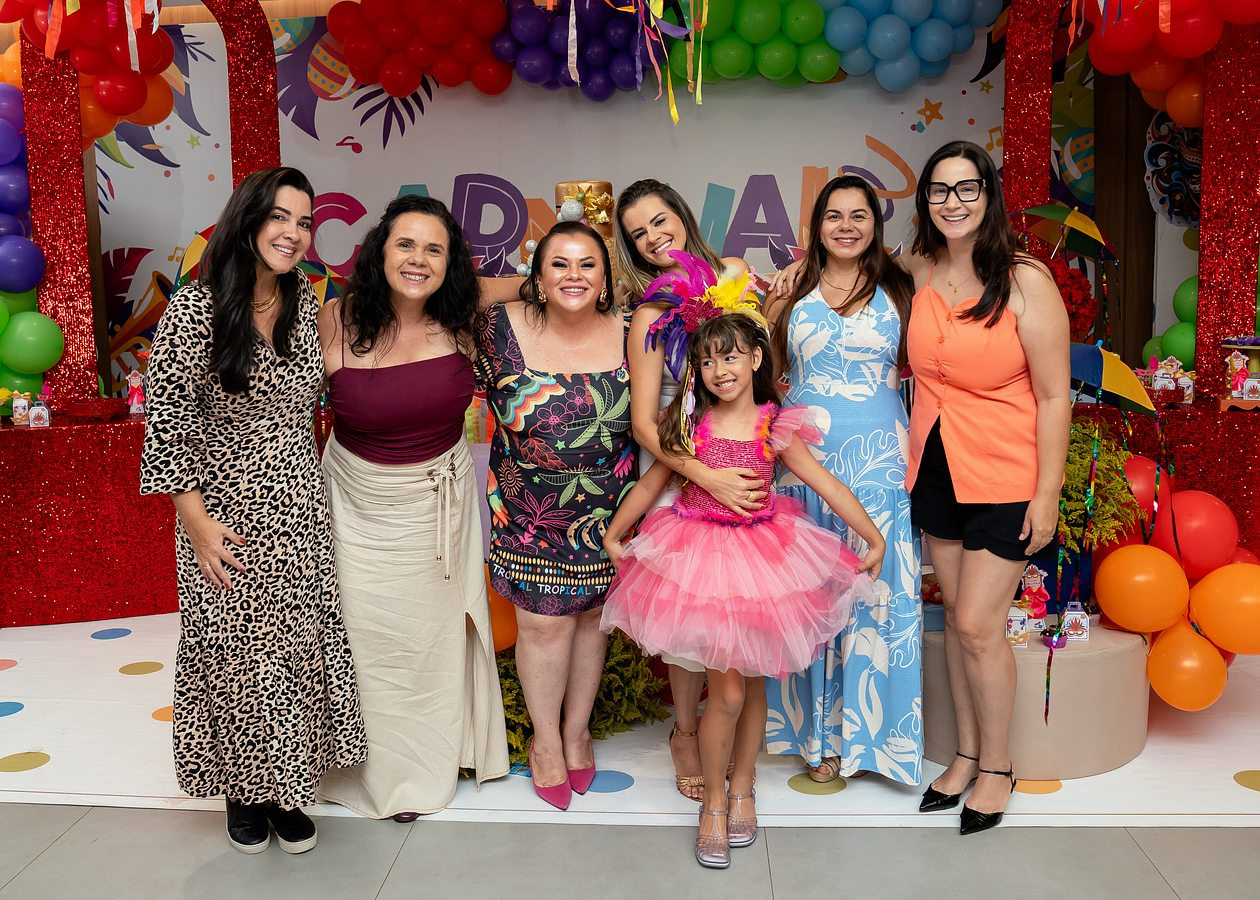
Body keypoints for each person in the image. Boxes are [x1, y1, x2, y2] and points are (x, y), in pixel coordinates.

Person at [601, 270, 886, 869]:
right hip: (700, 558)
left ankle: (743, 790)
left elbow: (825, 482)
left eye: (730, 356)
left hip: (764, 560)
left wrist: (871, 534)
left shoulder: (774, 424)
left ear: (756, 358)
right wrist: (616, 530)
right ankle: (713, 803)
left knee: (754, 684)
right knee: (727, 689)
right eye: (707, 361)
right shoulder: (688, 423)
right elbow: (652, 482)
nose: (719, 370)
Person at [140, 166, 367, 855]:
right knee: (235, 654)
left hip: (300, 508)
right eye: (279, 217)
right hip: (224, 513)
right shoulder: (195, 309)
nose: (293, 233)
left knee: (294, 651)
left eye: (304, 222)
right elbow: (168, 424)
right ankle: (243, 791)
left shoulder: (310, 304)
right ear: (247, 221)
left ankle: (287, 788)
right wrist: (195, 522)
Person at [316, 195, 509, 822]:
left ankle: (427, 767)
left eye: (434, 249)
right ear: (379, 250)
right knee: (365, 641)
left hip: (437, 508)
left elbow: (544, 284)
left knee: (429, 643)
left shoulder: (464, 318)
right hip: (353, 504)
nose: (418, 259)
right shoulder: (332, 320)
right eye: (405, 244)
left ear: (451, 263)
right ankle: (369, 771)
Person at [903, 141, 1069, 834]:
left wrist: (1047, 493)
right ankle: (967, 755)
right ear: (925, 201)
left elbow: (1054, 396)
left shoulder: (1025, 280)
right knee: (955, 620)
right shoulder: (920, 268)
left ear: (989, 195)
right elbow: (852, 269)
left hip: (1007, 473)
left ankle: (999, 766)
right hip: (935, 467)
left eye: (966, 188)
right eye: (940, 190)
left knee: (977, 625)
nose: (953, 202)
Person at [761, 175, 924, 786]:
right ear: (817, 226)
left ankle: (874, 743)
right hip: (803, 463)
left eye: (860, 215)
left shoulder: (902, 287)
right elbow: (765, 373)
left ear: (876, 225)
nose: (847, 226)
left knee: (875, 596)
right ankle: (817, 739)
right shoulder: (789, 291)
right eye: (835, 215)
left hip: (880, 462)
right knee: (811, 596)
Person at [474, 220, 634, 811]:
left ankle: (577, 733)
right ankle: (545, 741)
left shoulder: (632, 330)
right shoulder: (497, 328)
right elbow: (455, 290)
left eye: (588, 264)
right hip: (528, 513)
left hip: (609, 514)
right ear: (536, 277)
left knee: (592, 620)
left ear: (606, 278)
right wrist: (523, 286)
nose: (574, 276)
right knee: (543, 626)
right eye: (559, 264)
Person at [615, 178, 765, 802]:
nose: (653, 237)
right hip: (679, 470)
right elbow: (643, 423)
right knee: (685, 616)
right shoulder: (649, 314)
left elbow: (759, 357)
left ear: (682, 215)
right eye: (638, 233)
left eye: (659, 221)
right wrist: (702, 474)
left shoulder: (734, 274)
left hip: (743, 454)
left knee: (741, 607)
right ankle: (684, 731)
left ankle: (734, 738)